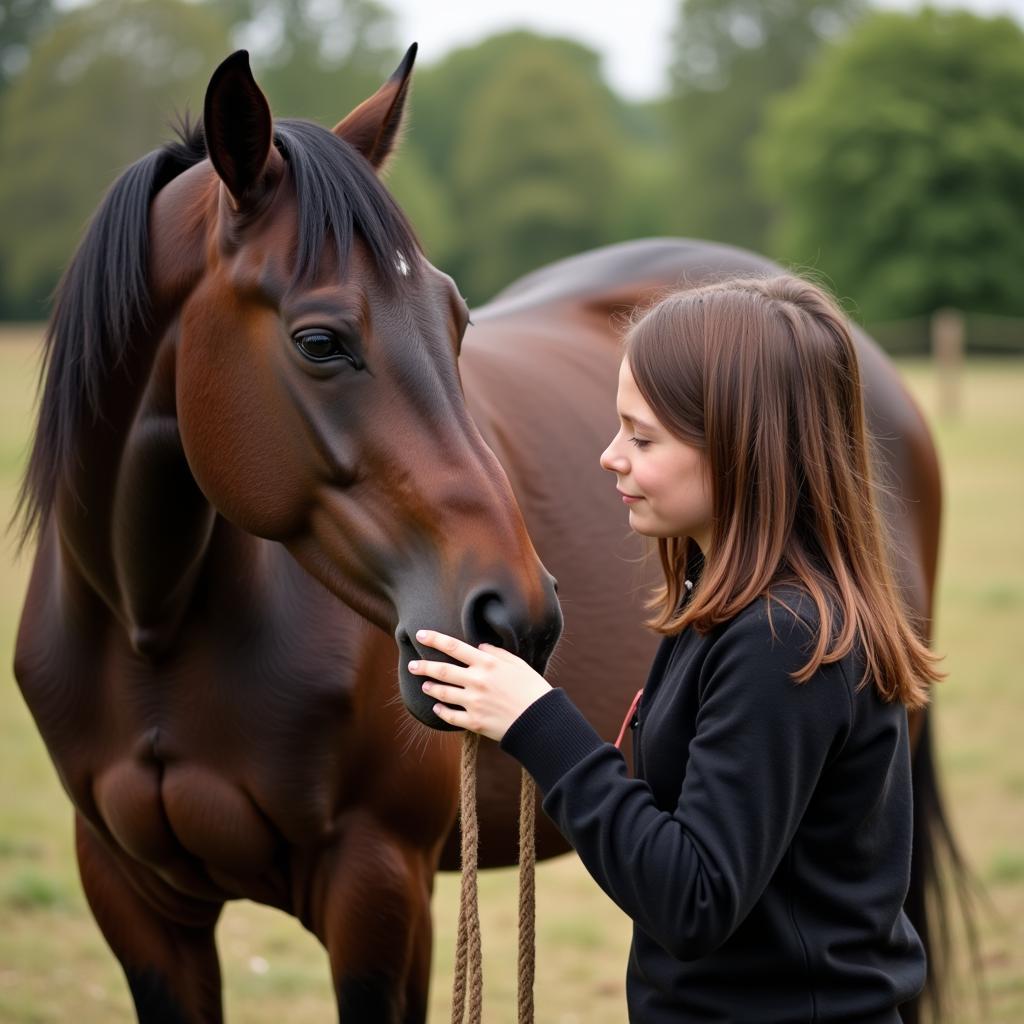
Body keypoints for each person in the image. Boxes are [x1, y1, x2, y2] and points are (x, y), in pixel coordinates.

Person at [408, 275, 942, 1023]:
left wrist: (538, 724)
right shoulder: (727, 613)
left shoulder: (783, 644)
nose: (608, 457)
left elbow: (692, 898)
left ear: (742, 447)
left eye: (643, 437)